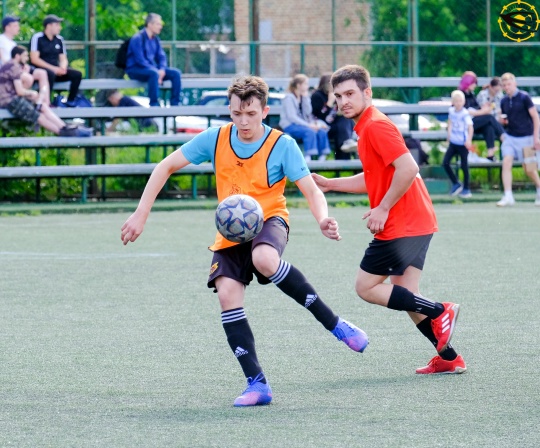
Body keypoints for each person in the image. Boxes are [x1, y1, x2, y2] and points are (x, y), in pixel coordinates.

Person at [120, 75, 369, 406]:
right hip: (231, 230)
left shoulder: (282, 144)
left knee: (264, 259)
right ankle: (257, 384)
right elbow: (165, 167)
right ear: (230, 110)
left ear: (264, 111)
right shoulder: (216, 138)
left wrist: (322, 218)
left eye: (251, 114)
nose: (244, 121)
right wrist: (141, 213)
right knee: (226, 294)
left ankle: (335, 324)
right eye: (237, 113)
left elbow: (311, 190)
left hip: (270, 219)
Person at [312, 64, 467, 375]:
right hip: (417, 221)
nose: (344, 101)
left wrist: (382, 208)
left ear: (367, 93)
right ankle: (449, 358)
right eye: (338, 96)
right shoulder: (366, 126)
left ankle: (441, 310)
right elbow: (375, 177)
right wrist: (331, 184)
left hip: (403, 223)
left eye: (350, 94)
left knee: (366, 287)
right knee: (406, 295)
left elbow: (409, 168)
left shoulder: (375, 126)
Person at [0, 46, 91, 136]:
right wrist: (33, 93)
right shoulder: (13, 67)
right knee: (38, 115)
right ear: (17, 56)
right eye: (25, 56)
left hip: (12, 99)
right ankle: (62, 132)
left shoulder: (9, 65)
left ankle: (64, 127)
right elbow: (20, 91)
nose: (27, 59)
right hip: (8, 101)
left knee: (42, 106)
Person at [497, 72, 540, 207]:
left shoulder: (524, 97)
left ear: (514, 84)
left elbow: (535, 117)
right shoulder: (503, 101)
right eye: (504, 85)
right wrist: (503, 122)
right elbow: (505, 119)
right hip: (511, 137)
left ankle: (539, 189)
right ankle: (508, 195)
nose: (507, 87)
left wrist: (536, 137)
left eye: (509, 84)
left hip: (527, 137)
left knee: (529, 169)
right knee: (506, 162)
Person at [125, 13, 182, 107]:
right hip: (135, 69)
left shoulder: (155, 39)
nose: (160, 27)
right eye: (158, 24)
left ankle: (175, 104)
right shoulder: (137, 38)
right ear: (150, 24)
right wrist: (157, 71)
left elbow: (162, 57)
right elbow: (140, 60)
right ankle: (154, 104)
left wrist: (162, 69)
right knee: (153, 73)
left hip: (151, 70)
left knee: (176, 74)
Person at [30, 14, 82, 107]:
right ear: (49, 26)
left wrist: (62, 68)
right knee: (50, 73)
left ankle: (70, 101)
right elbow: (34, 59)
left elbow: (63, 58)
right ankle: (47, 103)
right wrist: (53, 69)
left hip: (56, 71)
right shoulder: (37, 38)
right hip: (42, 71)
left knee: (77, 74)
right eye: (57, 25)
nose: (60, 28)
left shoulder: (59, 39)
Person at [279, 74, 331, 161]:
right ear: (299, 85)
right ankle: (308, 156)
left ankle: (322, 156)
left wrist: (306, 98)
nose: (307, 86)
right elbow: (292, 117)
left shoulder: (303, 97)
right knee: (309, 131)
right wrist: (309, 125)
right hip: (290, 125)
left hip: (303, 125)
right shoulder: (289, 98)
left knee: (321, 131)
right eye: (305, 84)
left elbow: (308, 112)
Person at [0, 15, 50, 105]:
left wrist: (23, 66)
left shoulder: (13, 43)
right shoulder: (1, 39)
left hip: (17, 69)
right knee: (28, 78)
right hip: (7, 72)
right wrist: (18, 69)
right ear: (7, 27)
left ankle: (45, 103)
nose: (18, 28)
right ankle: (18, 101)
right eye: (15, 26)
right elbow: (3, 60)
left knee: (42, 73)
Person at [459, 71, 505, 161]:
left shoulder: (471, 94)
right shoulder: (461, 95)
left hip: (473, 123)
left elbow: (476, 108)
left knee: (489, 126)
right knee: (489, 117)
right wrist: (482, 111)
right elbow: (466, 111)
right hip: (465, 124)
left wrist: (483, 108)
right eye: (474, 83)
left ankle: (490, 155)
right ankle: (503, 135)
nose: (475, 85)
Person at [311, 73, 356, 160]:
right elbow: (319, 116)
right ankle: (346, 144)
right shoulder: (317, 96)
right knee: (342, 131)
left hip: (336, 126)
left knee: (345, 118)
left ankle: (346, 144)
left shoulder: (337, 95)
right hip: (322, 126)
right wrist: (329, 103)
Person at [442, 90, 474, 198]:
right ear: (453, 102)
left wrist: (469, 140)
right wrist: (449, 136)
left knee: (464, 166)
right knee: (445, 163)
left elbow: (470, 127)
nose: (458, 103)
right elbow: (450, 123)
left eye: (460, 101)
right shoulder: (451, 111)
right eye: (456, 101)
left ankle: (466, 188)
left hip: (462, 143)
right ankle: (456, 183)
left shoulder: (465, 114)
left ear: (463, 102)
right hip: (453, 142)